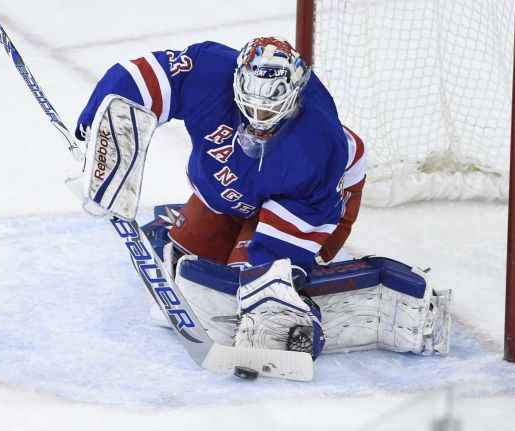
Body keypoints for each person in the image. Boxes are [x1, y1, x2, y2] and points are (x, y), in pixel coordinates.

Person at [73, 37, 366, 360]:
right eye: (251, 105)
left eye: (270, 108)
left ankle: (298, 299)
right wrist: (97, 137)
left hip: (303, 200)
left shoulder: (319, 146)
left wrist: (269, 284)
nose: (258, 118)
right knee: (187, 268)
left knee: (243, 292)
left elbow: (306, 213)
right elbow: (139, 78)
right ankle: (182, 228)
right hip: (232, 191)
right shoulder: (209, 71)